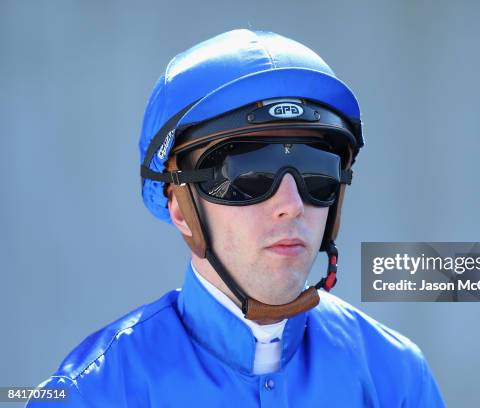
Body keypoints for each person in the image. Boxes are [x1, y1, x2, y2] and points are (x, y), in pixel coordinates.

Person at [29, 29, 445, 407]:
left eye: (317, 172)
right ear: (180, 208)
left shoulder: (397, 376)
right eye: (250, 173)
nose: (292, 204)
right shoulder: (95, 392)